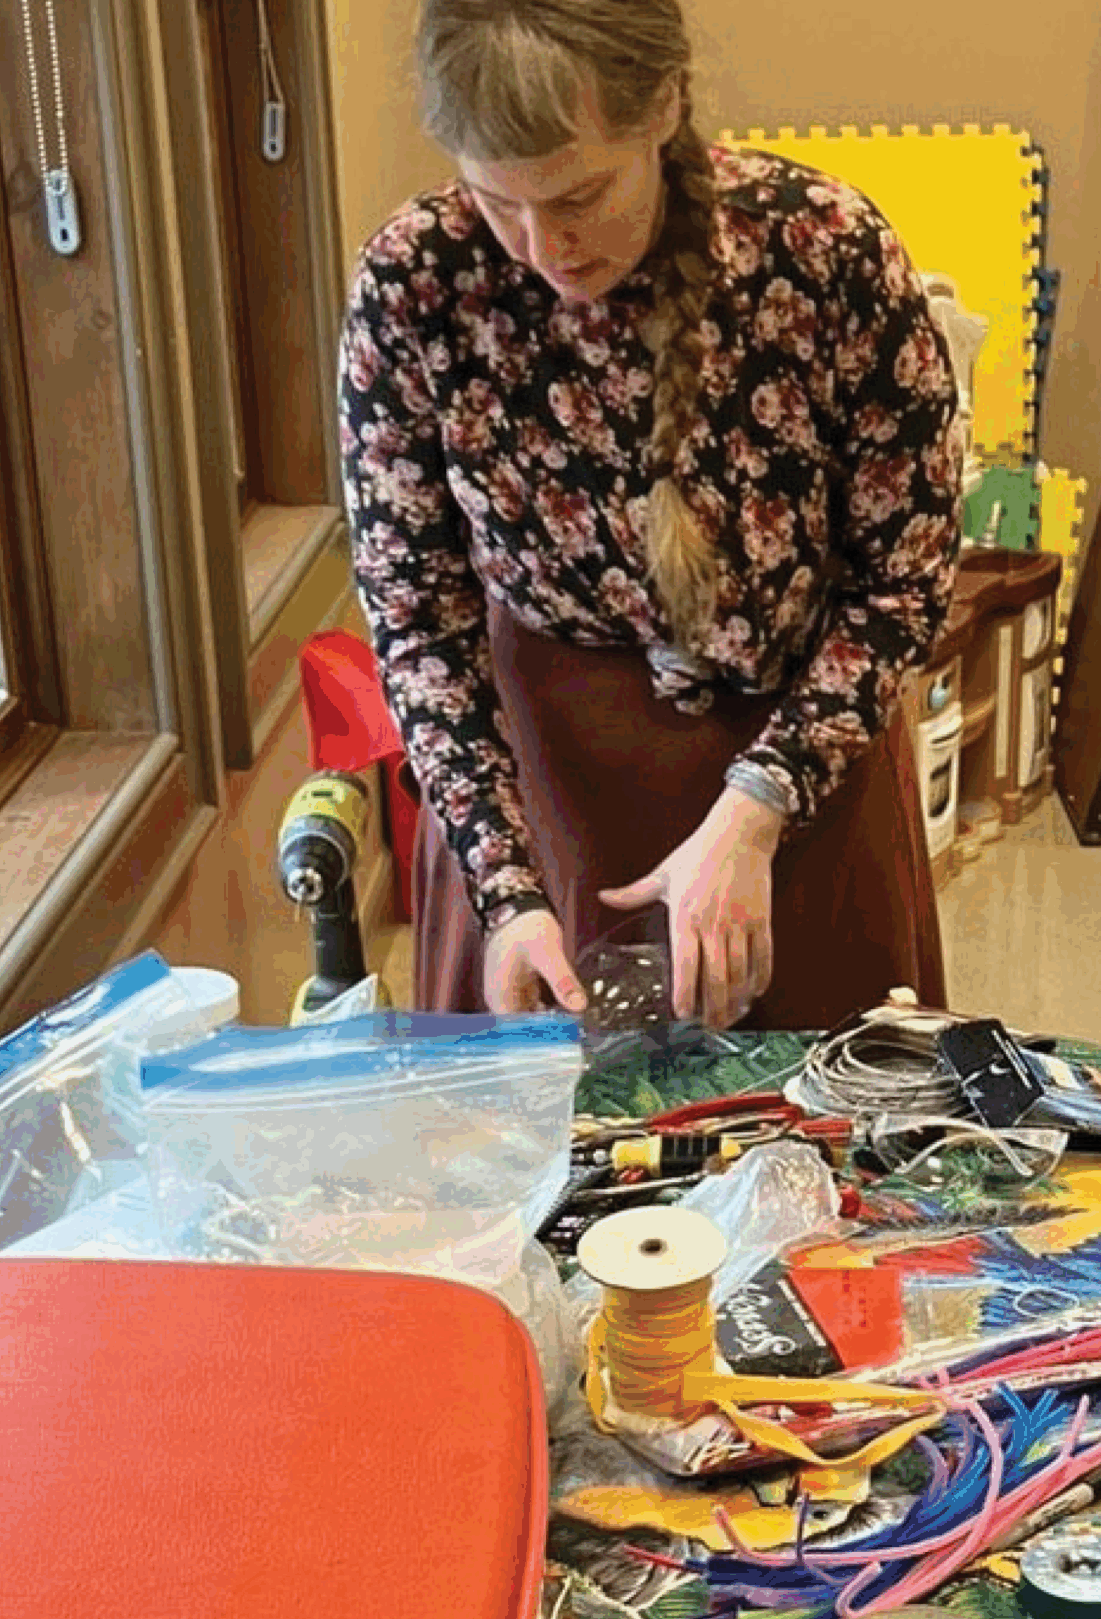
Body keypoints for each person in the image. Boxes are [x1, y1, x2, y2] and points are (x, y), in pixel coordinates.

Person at [339, 0, 963, 1031]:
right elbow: (417, 627)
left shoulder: (824, 250)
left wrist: (761, 808)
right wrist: (505, 890)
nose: (545, 246)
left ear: (665, 108)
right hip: (543, 791)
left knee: (834, 1145)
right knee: (547, 1150)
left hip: (803, 764)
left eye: (581, 193)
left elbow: (906, 580)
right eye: (499, 203)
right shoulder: (416, 283)